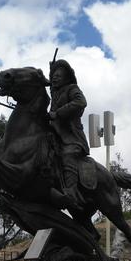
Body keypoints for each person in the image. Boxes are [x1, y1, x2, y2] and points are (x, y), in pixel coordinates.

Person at [48, 59, 89, 208]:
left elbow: (81, 102)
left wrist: (58, 114)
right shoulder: (55, 93)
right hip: (55, 136)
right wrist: (50, 70)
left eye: (58, 75)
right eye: (54, 75)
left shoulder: (72, 89)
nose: (55, 78)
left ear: (66, 78)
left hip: (71, 139)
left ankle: (71, 192)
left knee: (67, 154)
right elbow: (50, 86)